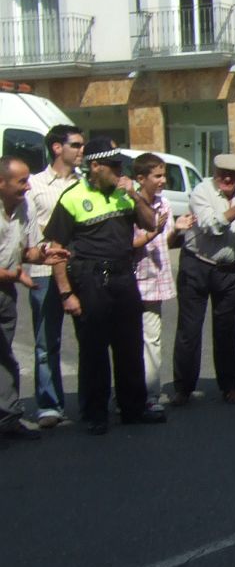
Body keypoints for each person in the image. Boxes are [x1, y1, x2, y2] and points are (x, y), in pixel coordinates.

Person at [44, 138, 163, 434]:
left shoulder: (125, 195)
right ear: (95, 166)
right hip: (91, 278)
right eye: (114, 166)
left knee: (130, 345)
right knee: (94, 349)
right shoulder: (73, 197)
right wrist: (66, 293)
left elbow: (151, 224)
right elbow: (56, 249)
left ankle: (133, 408)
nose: (120, 171)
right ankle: (96, 413)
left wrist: (135, 195)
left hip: (123, 276)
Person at [173, 153, 235, 407]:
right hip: (197, 264)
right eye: (222, 174)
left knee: (228, 330)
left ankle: (230, 386)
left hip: (229, 270)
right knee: (189, 330)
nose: (228, 179)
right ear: (215, 173)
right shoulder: (202, 191)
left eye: (233, 175)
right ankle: (184, 388)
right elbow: (212, 225)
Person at [0, 156, 68, 441]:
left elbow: (26, 250)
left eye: (28, 180)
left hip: (5, 292)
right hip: (8, 279)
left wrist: (42, 255)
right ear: (1, 183)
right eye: (21, 181)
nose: (28, 187)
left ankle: (8, 419)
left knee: (5, 357)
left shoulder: (23, 207)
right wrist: (14, 275)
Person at [24, 123, 82, 428]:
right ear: (57, 148)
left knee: (91, 338)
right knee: (47, 341)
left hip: (79, 270)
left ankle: (92, 399)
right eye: (76, 145)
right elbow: (28, 229)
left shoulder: (83, 184)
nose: (82, 150)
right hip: (44, 271)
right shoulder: (34, 185)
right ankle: (49, 405)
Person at [131, 153, 193, 414]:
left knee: (152, 339)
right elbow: (129, 243)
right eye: (157, 176)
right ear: (140, 178)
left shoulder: (164, 203)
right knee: (128, 340)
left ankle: (150, 393)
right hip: (132, 278)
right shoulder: (129, 202)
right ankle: (128, 393)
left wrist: (176, 229)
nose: (162, 180)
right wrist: (153, 232)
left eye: (163, 175)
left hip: (154, 279)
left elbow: (164, 241)